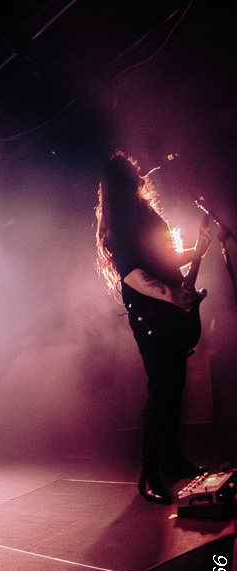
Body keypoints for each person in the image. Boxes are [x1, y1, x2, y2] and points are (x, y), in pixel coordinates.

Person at [96, 152, 212, 504]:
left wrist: (198, 250)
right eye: (130, 168)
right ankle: (147, 474)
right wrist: (171, 294)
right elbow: (131, 274)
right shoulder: (120, 223)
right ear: (122, 180)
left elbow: (166, 258)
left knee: (175, 386)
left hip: (170, 312)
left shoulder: (145, 213)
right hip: (151, 315)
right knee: (162, 389)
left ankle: (172, 459)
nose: (138, 170)